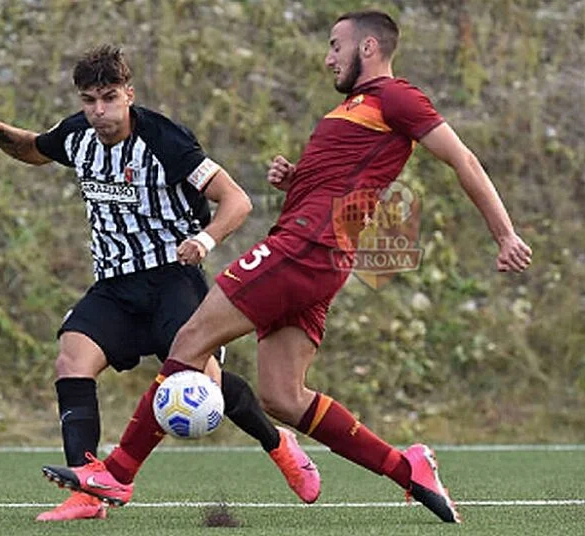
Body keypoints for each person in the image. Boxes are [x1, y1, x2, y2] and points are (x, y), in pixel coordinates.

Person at [41, 12, 533, 524]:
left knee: (190, 342)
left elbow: (464, 160)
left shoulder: (397, 97)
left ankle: (117, 472)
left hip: (305, 248)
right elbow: (346, 180)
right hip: (319, 252)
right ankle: (407, 467)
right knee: (283, 396)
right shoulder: (353, 110)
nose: (327, 57)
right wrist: (296, 180)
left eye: (334, 46)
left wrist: (505, 235)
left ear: (368, 47)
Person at [0, 45, 321, 522]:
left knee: (204, 385)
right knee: (72, 360)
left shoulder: (165, 140)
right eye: (89, 100)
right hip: (114, 286)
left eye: (109, 97)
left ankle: (278, 444)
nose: (99, 111)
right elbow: (33, 148)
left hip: (173, 280)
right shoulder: (78, 135)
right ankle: (88, 493)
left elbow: (236, 200)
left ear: (129, 93)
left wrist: (205, 240)